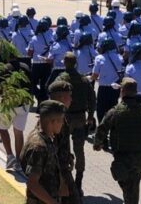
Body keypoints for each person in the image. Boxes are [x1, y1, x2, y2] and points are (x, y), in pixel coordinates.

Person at [93, 77, 141, 204]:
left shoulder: (115, 111)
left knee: (128, 188)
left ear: (122, 91)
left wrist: (97, 144)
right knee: (132, 187)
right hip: (140, 158)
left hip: (122, 158)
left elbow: (102, 129)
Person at [56, 52, 96, 198]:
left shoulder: (60, 79)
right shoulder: (84, 80)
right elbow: (92, 99)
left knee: (62, 149)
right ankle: (78, 183)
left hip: (64, 118)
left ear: (65, 62)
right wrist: (91, 116)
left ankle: (65, 182)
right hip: (80, 117)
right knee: (79, 151)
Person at [20, 100, 67, 204]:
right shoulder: (39, 146)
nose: (62, 124)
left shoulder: (46, 136)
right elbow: (32, 184)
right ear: (52, 122)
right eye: (61, 120)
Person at [46, 81, 81, 204]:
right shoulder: (54, 119)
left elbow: (62, 144)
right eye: (69, 95)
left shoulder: (60, 116)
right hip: (58, 173)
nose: (71, 99)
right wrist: (62, 181)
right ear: (61, 98)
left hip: (62, 169)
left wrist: (69, 156)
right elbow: (52, 151)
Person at [92, 38, 123, 124]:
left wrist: (89, 78)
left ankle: (102, 129)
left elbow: (95, 75)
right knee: (113, 109)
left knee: (101, 109)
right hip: (115, 89)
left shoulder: (99, 58)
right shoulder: (119, 57)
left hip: (103, 88)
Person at [28, 19, 53, 106]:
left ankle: (39, 97)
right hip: (47, 64)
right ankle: (43, 103)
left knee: (32, 84)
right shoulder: (51, 36)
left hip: (36, 64)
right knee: (44, 85)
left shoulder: (34, 38)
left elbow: (30, 53)